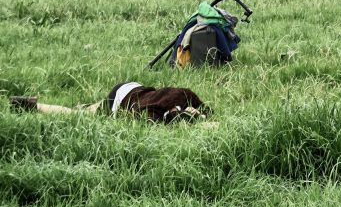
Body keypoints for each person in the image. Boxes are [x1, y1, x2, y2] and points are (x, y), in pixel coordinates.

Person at [10, 82, 209, 123]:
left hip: (131, 87)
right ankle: (32, 106)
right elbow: (135, 117)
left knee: (90, 109)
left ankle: (88, 105)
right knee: (79, 116)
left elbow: (207, 110)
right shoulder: (155, 117)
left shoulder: (187, 95)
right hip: (121, 99)